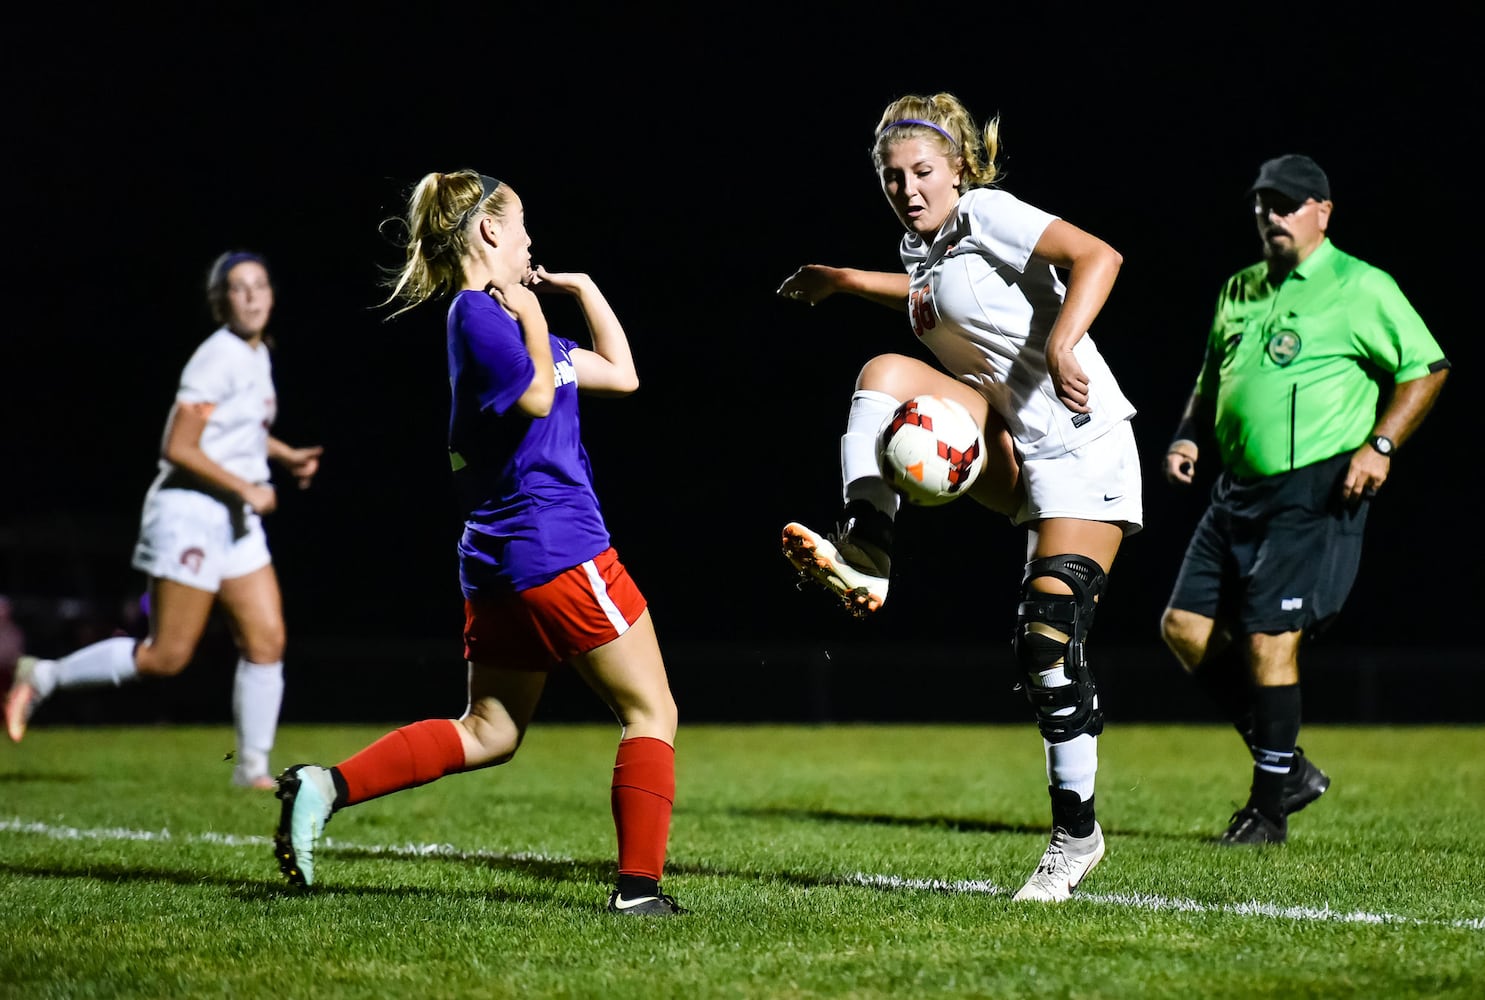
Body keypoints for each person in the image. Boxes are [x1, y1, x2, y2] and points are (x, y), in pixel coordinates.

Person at [271, 169, 684, 917]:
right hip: (557, 545)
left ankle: (325, 785)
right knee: (651, 712)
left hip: (500, 560)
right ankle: (638, 892)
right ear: (490, 231)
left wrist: (581, 292)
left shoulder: (514, 325)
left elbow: (622, 376)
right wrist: (529, 313)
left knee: (490, 731)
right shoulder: (478, 317)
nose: (531, 238)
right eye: (521, 223)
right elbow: (531, 395)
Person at [776, 93, 1142, 903]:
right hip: (1013, 447)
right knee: (882, 376)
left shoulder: (985, 210)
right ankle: (866, 550)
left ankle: (1075, 839)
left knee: (1047, 639)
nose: (908, 188)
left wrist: (1062, 338)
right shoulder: (927, 249)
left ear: (959, 169)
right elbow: (922, 287)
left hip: (1082, 445)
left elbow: (1100, 256)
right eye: (893, 176)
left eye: (922, 172)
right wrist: (842, 280)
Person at [1160, 154, 1450, 846]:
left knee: (1268, 639)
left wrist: (1379, 446)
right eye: (1264, 204)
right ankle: (1286, 766)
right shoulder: (1239, 288)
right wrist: (1186, 435)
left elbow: (1426, 367)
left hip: (1313, 484)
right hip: (1236, 489)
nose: (1273, 216)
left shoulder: (1359, 285)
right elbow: (1210, 377)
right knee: (1183, 628)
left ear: (1322, 211)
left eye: (1288, 204)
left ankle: (1266, 810)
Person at [3, 251, 323, 789]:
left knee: (267, 641)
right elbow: (178, 445)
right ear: (221, 301)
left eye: (260, 286)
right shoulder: (215, 357)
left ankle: (250, 771)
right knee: (166, 655)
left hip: (234, 518)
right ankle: (45, 675)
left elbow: (236, 428)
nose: (252, 297)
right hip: (190, 515)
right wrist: (247, 484)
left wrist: (284, 455)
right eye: (239, 289)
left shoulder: (256, 353)